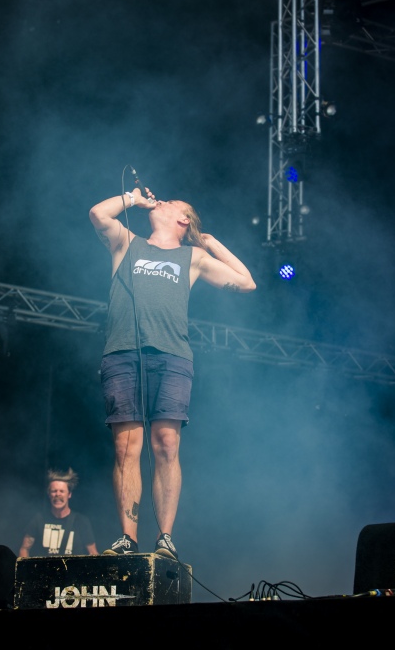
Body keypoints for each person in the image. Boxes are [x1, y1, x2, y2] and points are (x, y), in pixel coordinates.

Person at [89, 185, 256, 561]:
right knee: (125, 447)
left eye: (171, 203)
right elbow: (98, 214)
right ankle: (128, 538)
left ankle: (165, 538)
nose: (160, 201)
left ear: (184, 219)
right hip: (122, 352)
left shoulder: (192, 256)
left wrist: (210, 241)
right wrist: (132, 198)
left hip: (172, 356)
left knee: (166, 445)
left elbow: (246, 282)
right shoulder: (126, 242)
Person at [19, 467, 99, 557]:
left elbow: (93, 553)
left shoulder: (81, 521)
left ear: (69, 494)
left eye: (62, 491)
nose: (57, 494)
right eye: (54, 491)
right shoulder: (39, 519)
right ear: (49, 494)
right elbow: (24, 548)